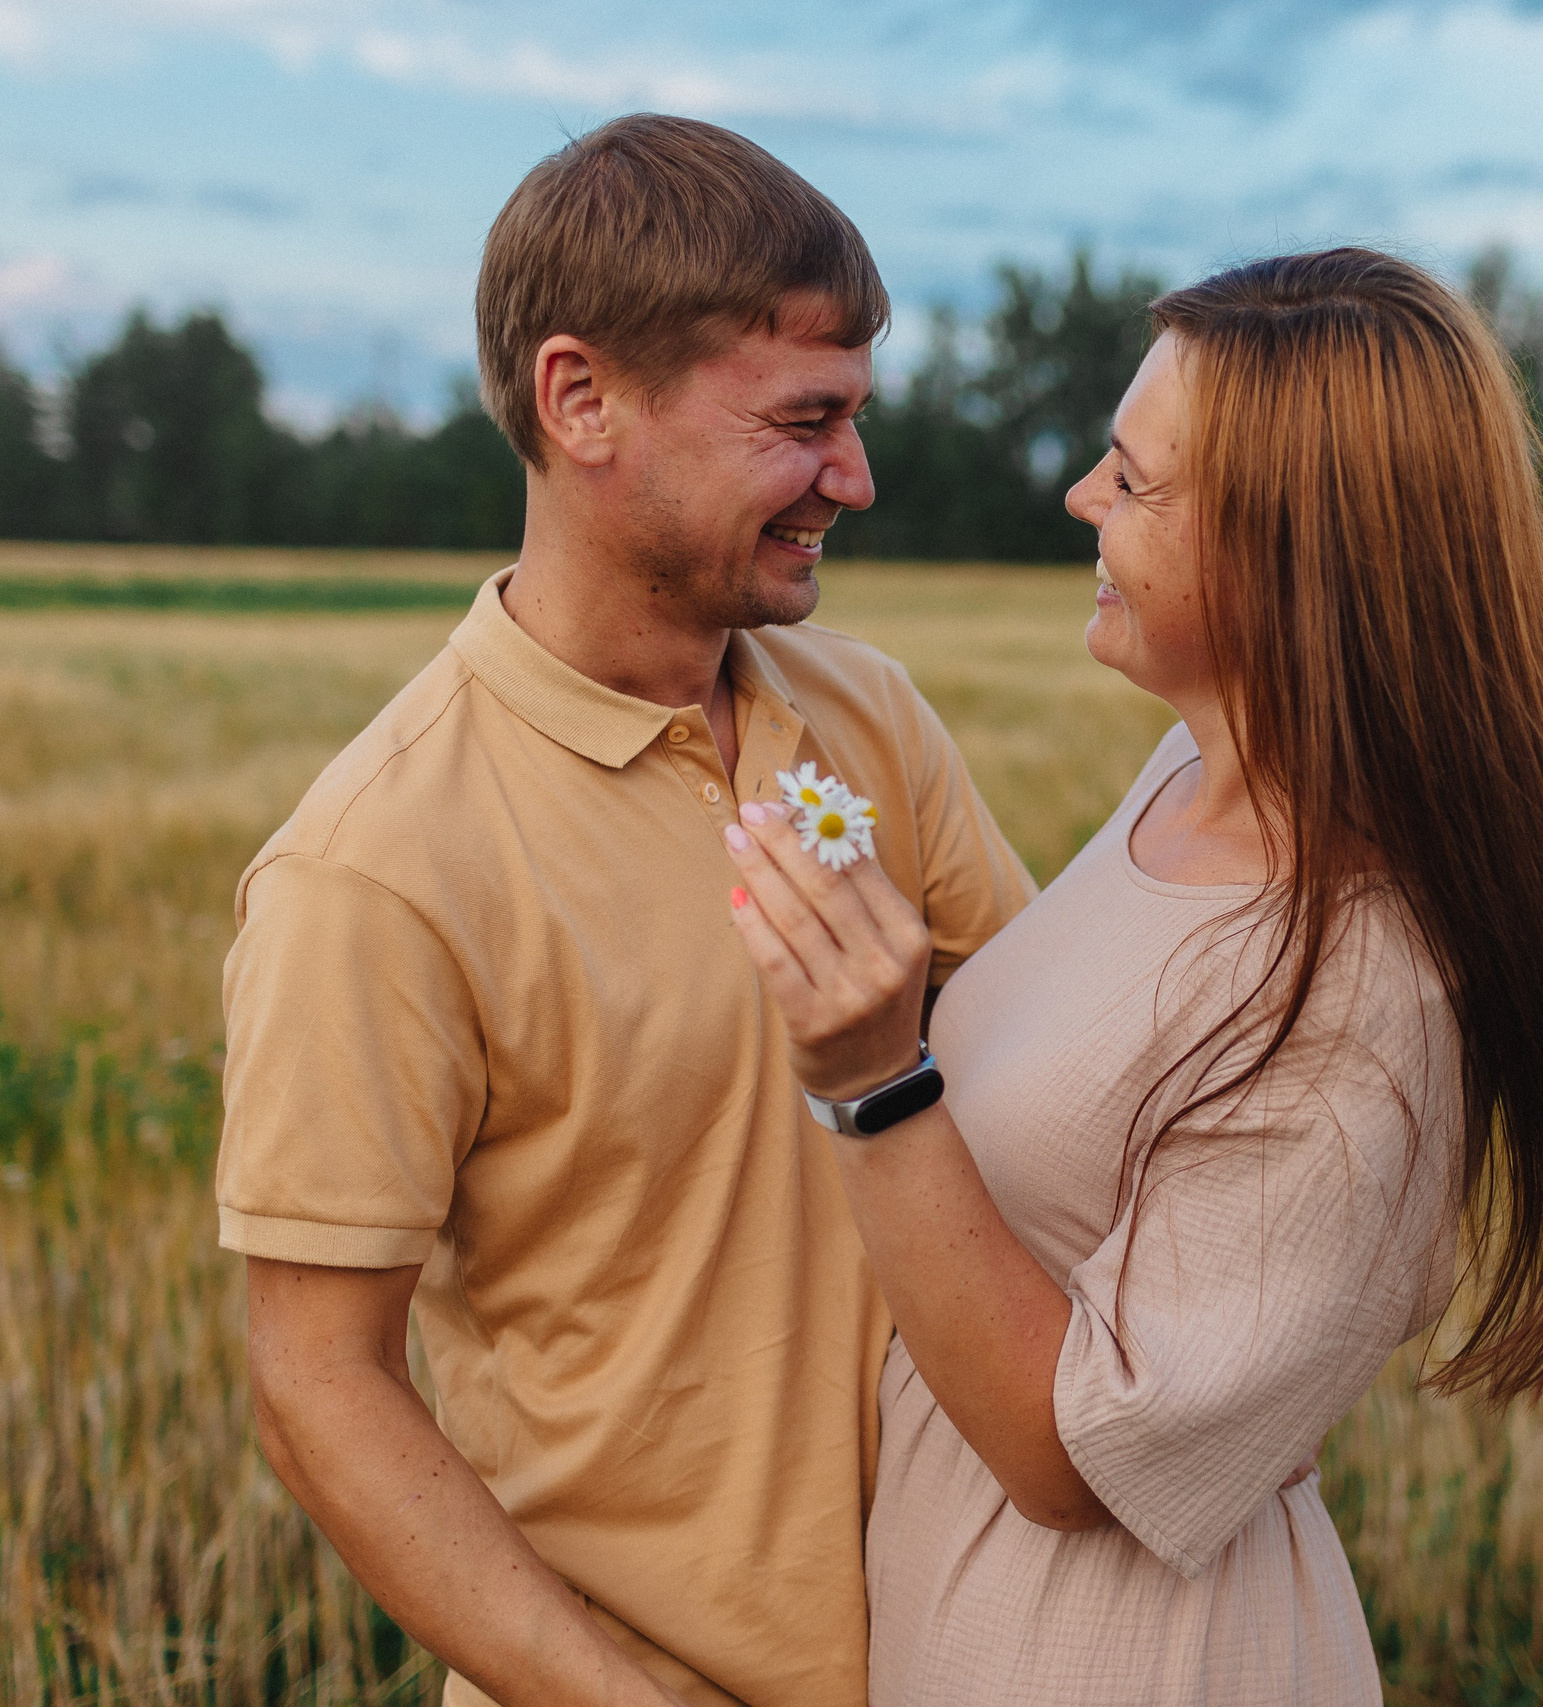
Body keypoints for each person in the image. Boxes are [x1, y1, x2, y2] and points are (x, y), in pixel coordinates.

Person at [719, 247, 1543, 1706]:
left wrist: (873, 1080)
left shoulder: (1368, 984)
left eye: (1132, 477)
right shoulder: (1188, 777)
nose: (1082, 501)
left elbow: (1070, 1460)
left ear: (1291, 551)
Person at [215, 115, 1034, 1707]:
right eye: (805, 423)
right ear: (582, 401)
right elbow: (318, 1389)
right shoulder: (375, 866)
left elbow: (1055, 1073)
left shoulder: (870, 718)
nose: (853, 480)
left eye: (856, 420)